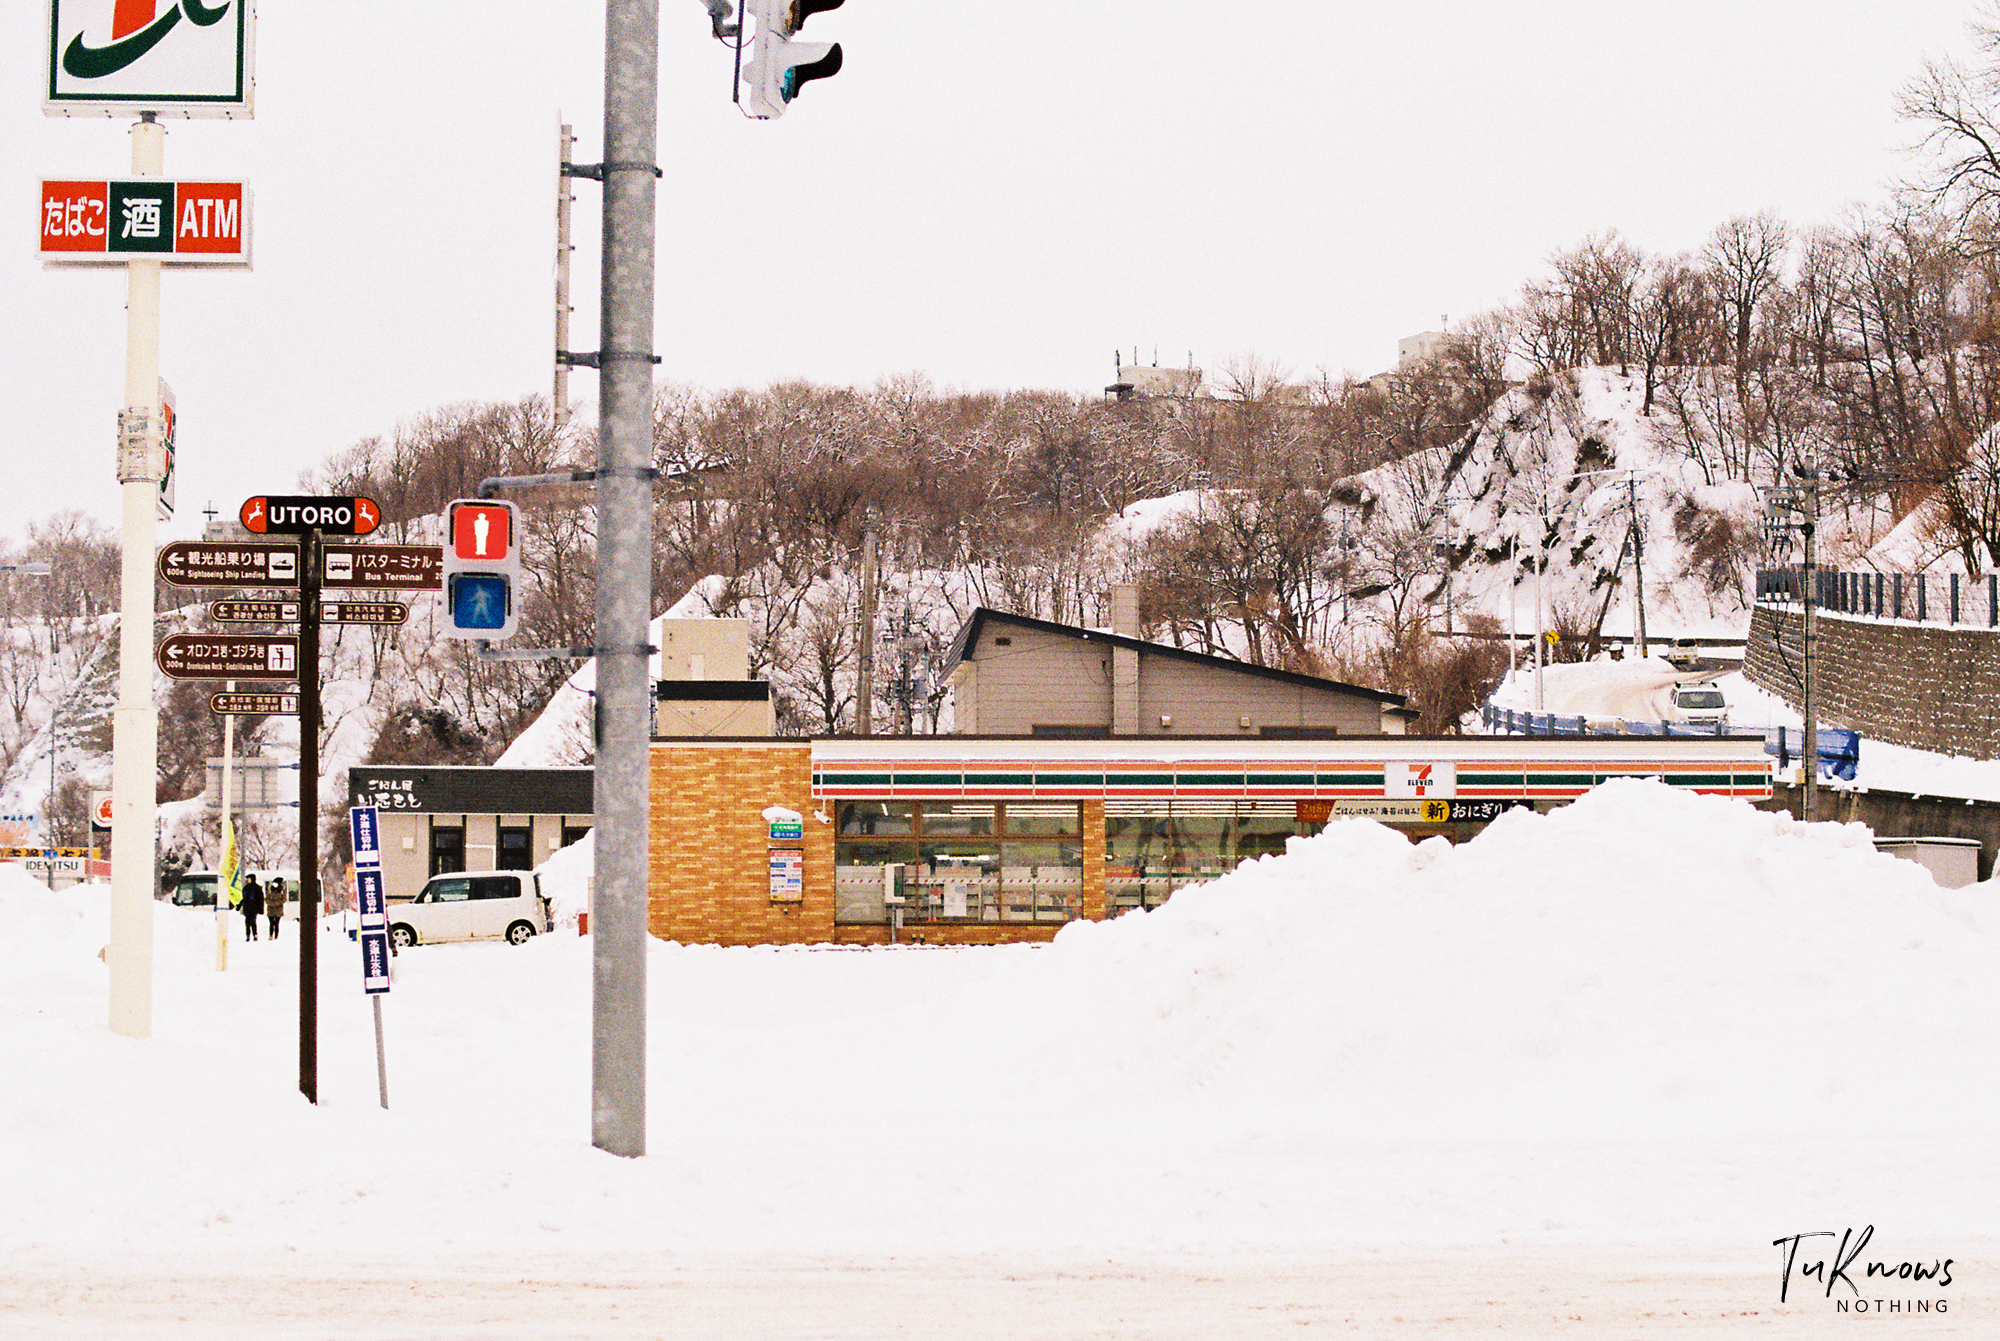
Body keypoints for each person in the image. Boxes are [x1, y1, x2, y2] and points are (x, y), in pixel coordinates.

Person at [241, 874, 264, 942]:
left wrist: (260, 909)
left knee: (253, 922)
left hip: (254, 908)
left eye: (249, 878)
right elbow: (243, 898)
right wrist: (240, 905)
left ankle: (255, 934)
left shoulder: (257, 888)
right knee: (247, 922)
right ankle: (248, 935)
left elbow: (260, 900)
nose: (247, 880)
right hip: (247, 908)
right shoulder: (245, 888)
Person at [265, 876, 286, 940]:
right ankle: (271, 935)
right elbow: (266, 899)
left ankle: (276, 936)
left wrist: (277, 903)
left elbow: (284, 899)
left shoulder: (282, 890)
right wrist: (271, 903)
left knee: (276, 923)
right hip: (270, 909)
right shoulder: (269, 889)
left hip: (278, 909)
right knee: (271, 923)